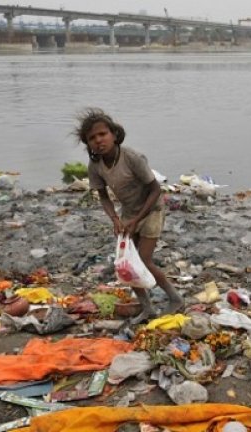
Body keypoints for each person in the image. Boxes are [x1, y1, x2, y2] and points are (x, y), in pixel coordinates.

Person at [77, 108, 183, 323]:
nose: (99, 140)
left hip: (151, 209)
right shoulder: (95, 166)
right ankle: (147, 308)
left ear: (114, 135)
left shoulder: (131, 157)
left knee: (143, 260)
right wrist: (115, 220)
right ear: (88, 143)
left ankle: (175, 299)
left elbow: (155, 190)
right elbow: (103, 196)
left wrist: (135, 220)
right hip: (128, 213)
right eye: (92, 138)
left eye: (102, 134)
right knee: (126, 264)